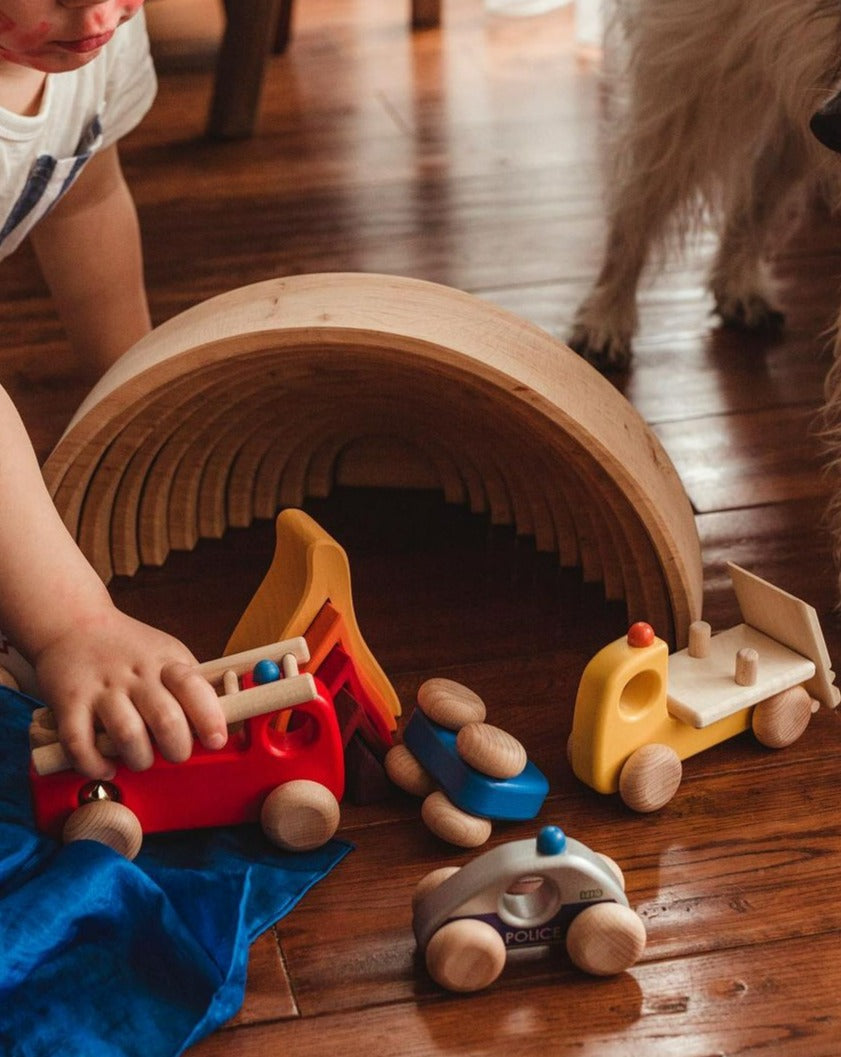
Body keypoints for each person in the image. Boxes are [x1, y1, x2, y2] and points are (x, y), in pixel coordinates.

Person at [0, 1, 228, 779]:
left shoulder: (90, 42)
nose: (98, 13)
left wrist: (135, 397)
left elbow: (83, 194)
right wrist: (73, 621)